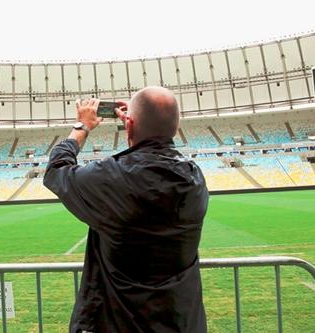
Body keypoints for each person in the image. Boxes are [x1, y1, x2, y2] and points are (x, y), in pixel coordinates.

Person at [43, 86, 209, 333]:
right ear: (175, 127)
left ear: (128, 126)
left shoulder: (111, 178)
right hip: (181, 322)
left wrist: (82, 127)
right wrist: (136, 122)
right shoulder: (195, 179)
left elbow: (57, 170)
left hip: (119, 324)